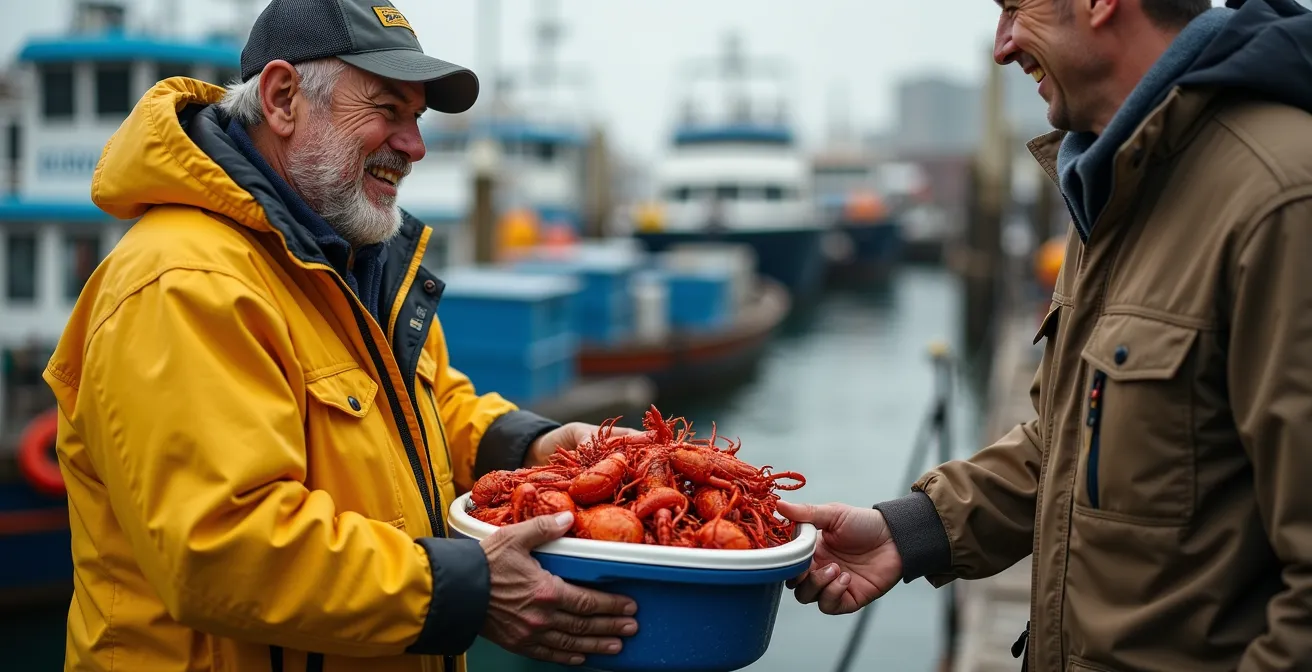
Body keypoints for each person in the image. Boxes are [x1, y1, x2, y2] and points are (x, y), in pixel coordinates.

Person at [42, 1, 639, 670]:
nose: (414, 145)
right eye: (387, 109)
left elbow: (425, 414)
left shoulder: (358, 259)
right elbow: (223, 546)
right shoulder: (181, 281)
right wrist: (469, 589)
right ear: (282, 98)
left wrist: (533, 448)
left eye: (415, 118)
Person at [779, 0, 1312, 670]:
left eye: (1013, 9)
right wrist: (907, 532)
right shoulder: (1123, 178)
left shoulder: (1281, 198)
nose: (1001, 47)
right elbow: (1080, 441)